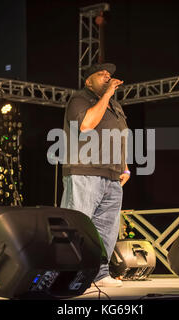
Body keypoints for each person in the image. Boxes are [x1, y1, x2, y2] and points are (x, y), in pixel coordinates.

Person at [60, 63, 130, 287]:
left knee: (106, 228)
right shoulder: (80, 99)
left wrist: (125, 166)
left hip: (112, 174)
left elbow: (119, 137)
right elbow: (87, 124)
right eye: (102, 75)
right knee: (77, 224)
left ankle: (99, 274)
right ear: (88, 80)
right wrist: (108, 94)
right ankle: (69, 273)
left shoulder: (115, 106)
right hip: (84, 171)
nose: (108, 78)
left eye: (110, 76)